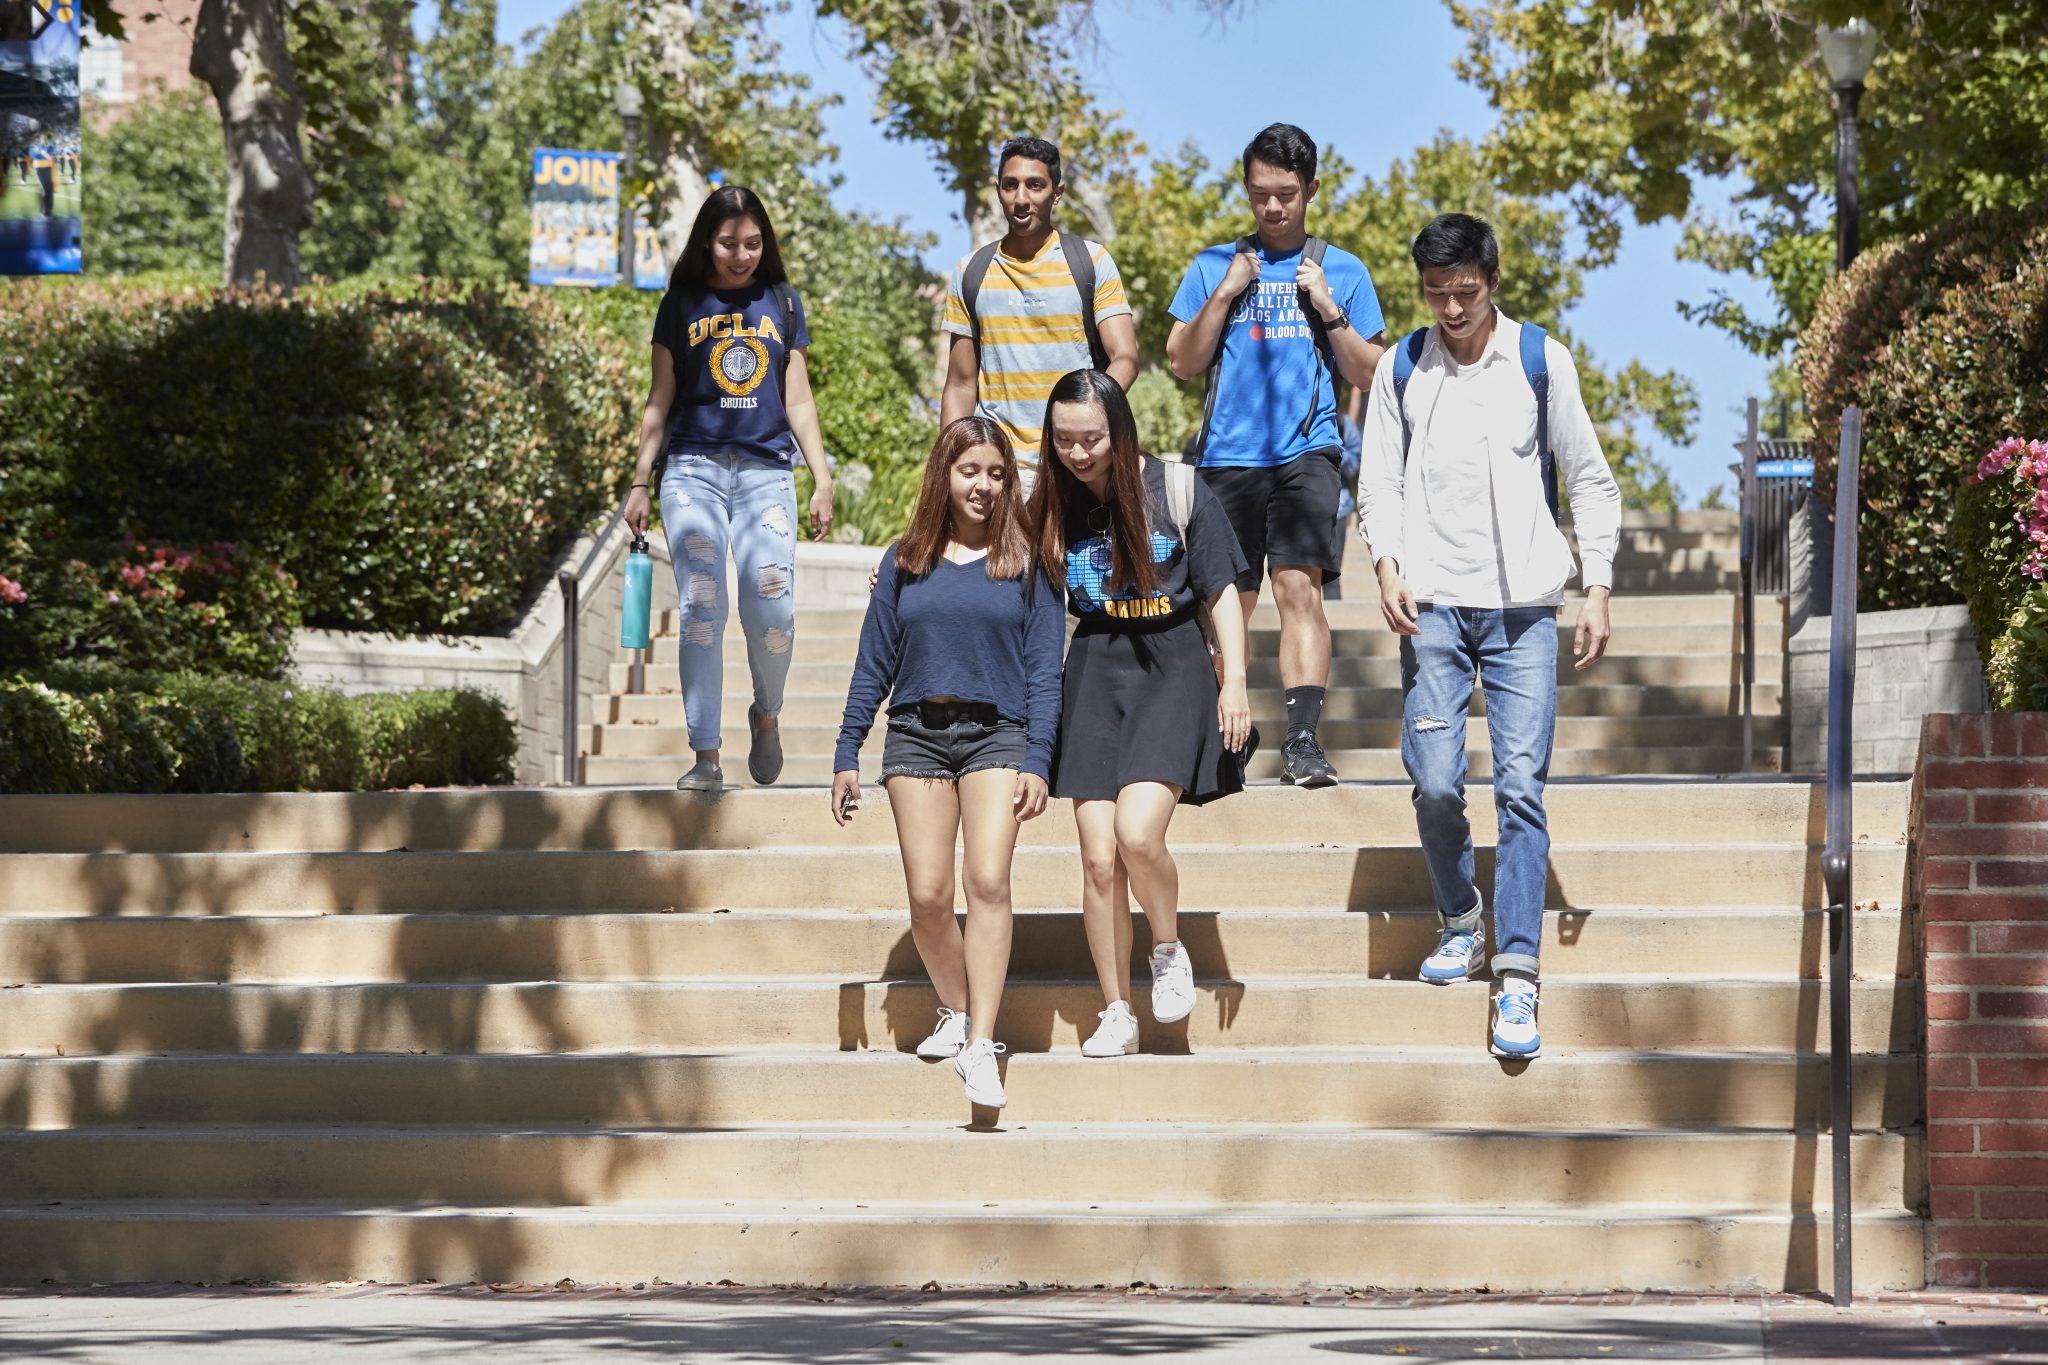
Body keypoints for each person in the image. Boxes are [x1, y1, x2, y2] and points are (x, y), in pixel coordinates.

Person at [1357, 212, 1621, 1061]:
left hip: (1523, 612)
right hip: (1431, 602)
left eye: (1464, 292)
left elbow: (1589, 479)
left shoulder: (1540, 360)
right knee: (1433, 779)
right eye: (1436, 294)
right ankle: (1460, 917)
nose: (1451, 308)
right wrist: (1387, 562)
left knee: (1518, 787)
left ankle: (1516, 973)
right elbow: (1378, 483)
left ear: (1492, 281)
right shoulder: (1403, 366)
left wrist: (1599, 586)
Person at [832, 416, 1064, 1110]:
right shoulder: (906, 559)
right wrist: (847, 747)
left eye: (997, 473)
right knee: (930, 898)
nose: (986, 486)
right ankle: (957, 1007)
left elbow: (1045, 674)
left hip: (998, 734)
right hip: (916, 735)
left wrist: (1039, 759)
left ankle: (980, 1044)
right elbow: (874, 660)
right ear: (945, 474)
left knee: (987, 879)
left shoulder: (1029, 566)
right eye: (971, 471)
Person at [1033, 368, 1252, 1058]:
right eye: (1064, 440)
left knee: (1136, 834)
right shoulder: (1052, 503)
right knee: (1098, 859)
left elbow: (1221, 590)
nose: (1078, 453)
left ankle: (1166, 947)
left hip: (1173, 668)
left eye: (1091, 437)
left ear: (1119, 429)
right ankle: (1117, 1010)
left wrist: (1235, 680)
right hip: (1095, 670)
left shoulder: (1178, 489)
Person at [1165, 122, 1387, 788]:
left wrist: (1327, 309)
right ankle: (1220, 729)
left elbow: (1371, 373)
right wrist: (1228, 291)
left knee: (1298, 588)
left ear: (1311, 189)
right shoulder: (1213, 265)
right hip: (1227, 457)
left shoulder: (1342, 270)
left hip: (1306, 453)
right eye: (1261, 193)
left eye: (1286, 194)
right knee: (1224, 601)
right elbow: (1181, 360)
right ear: (1247, 189)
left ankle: (1301, 738)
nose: (1273, 207)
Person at [622, 186, 834, 792]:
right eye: (726, 243)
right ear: (705, 242)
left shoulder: (784, 302)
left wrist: (821, 478)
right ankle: (706, 755)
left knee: (773, 607)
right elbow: (659, 398)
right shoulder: (681, 303)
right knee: (702, 605)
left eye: (751, 243)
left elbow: (798, 399)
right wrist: (640, 479)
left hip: (767, 474)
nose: (740, 255)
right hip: (692, 472)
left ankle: (766, 713)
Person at [942, 136, 1140, 497]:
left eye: (1035, 185)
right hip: (1000, 470)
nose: (1021, 198)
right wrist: (951, 462)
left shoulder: (1091, 263)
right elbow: (959, 382)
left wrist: (1084, 424)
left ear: (1057, 192)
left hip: (1074, 465)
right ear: (997, 190)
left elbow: (1124, 358)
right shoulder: (971, 271)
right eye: (1010, 185)